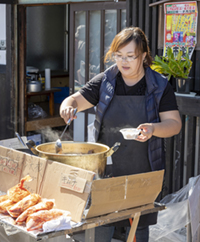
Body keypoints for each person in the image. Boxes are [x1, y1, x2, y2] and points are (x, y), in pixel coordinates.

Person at [60, 27, 182, 242]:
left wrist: (153, 129)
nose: (123, 62)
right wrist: (68, 106)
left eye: (130, 56)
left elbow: (173, 124)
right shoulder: (106, 81)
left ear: (143, 56)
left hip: (143, 167)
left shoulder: (159, 85)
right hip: (108, 167)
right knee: (101, 222)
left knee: (138, 226)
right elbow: (75, 100)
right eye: (118, 56)